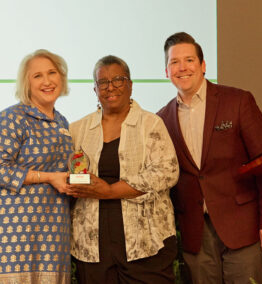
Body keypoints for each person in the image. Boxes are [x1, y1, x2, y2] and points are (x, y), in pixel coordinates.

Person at [157, 32, 262, 284]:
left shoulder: (237, 101)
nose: (182, 67)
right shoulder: (161, 119)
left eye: (189, 60)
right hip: (196, 234)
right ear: (166, 71)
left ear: (203, 66)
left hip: (244, 228)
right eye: (174, 62)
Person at [67, 55, 179, 283]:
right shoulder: (78, 129)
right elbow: (70, 176)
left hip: (147, 242)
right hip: (92, 245)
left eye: (118, 79)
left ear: (130, 84)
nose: (111, 87)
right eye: (103, 82)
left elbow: (167, 172)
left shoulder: (151, 123)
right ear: (95, 89)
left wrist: (109, 191)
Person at [0, 49, 73, 284]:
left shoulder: (61, 121)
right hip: (11, 232)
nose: (47, 81)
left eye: (52, 73)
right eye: (37, 76)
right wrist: (49, 177)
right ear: (26, 83)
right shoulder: (10, 118)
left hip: (52, 228)